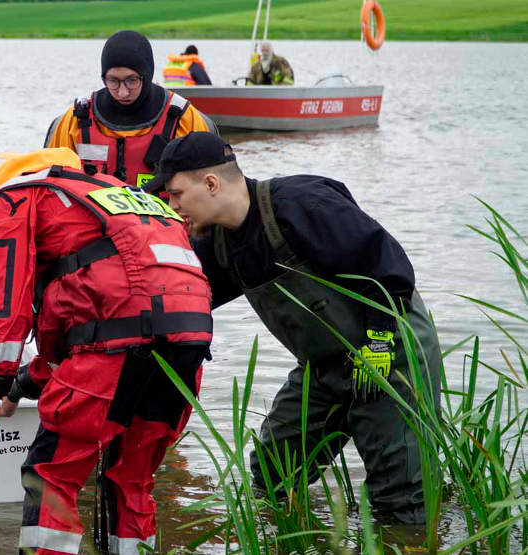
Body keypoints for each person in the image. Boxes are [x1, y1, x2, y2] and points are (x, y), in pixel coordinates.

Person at [144, 132, 441, 524]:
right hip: (323, 366)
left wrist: (380, 340)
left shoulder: (301, 204)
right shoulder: (218, 245)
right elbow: (188, 298)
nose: (172, 206)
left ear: (211, 184)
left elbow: (389, 266)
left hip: (391, 350)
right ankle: (301, 540)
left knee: (402, 502)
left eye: (176, 194)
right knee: (272, 472)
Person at [0, 148, 214, 553]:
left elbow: (7, 310)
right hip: (187, 348)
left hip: (116, 349)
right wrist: (16, 390)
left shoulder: (16, 197)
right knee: (131, 481)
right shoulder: (126, 200)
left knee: (50, 479)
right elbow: (77, 344)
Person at [44, 30, 217, 190]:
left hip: (163, 221)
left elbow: (209, 190)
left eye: (132, 80)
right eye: (113, 81)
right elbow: (49, 186)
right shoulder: (75, 120)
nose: (122, 92)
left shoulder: (184, 119)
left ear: (147, 75)